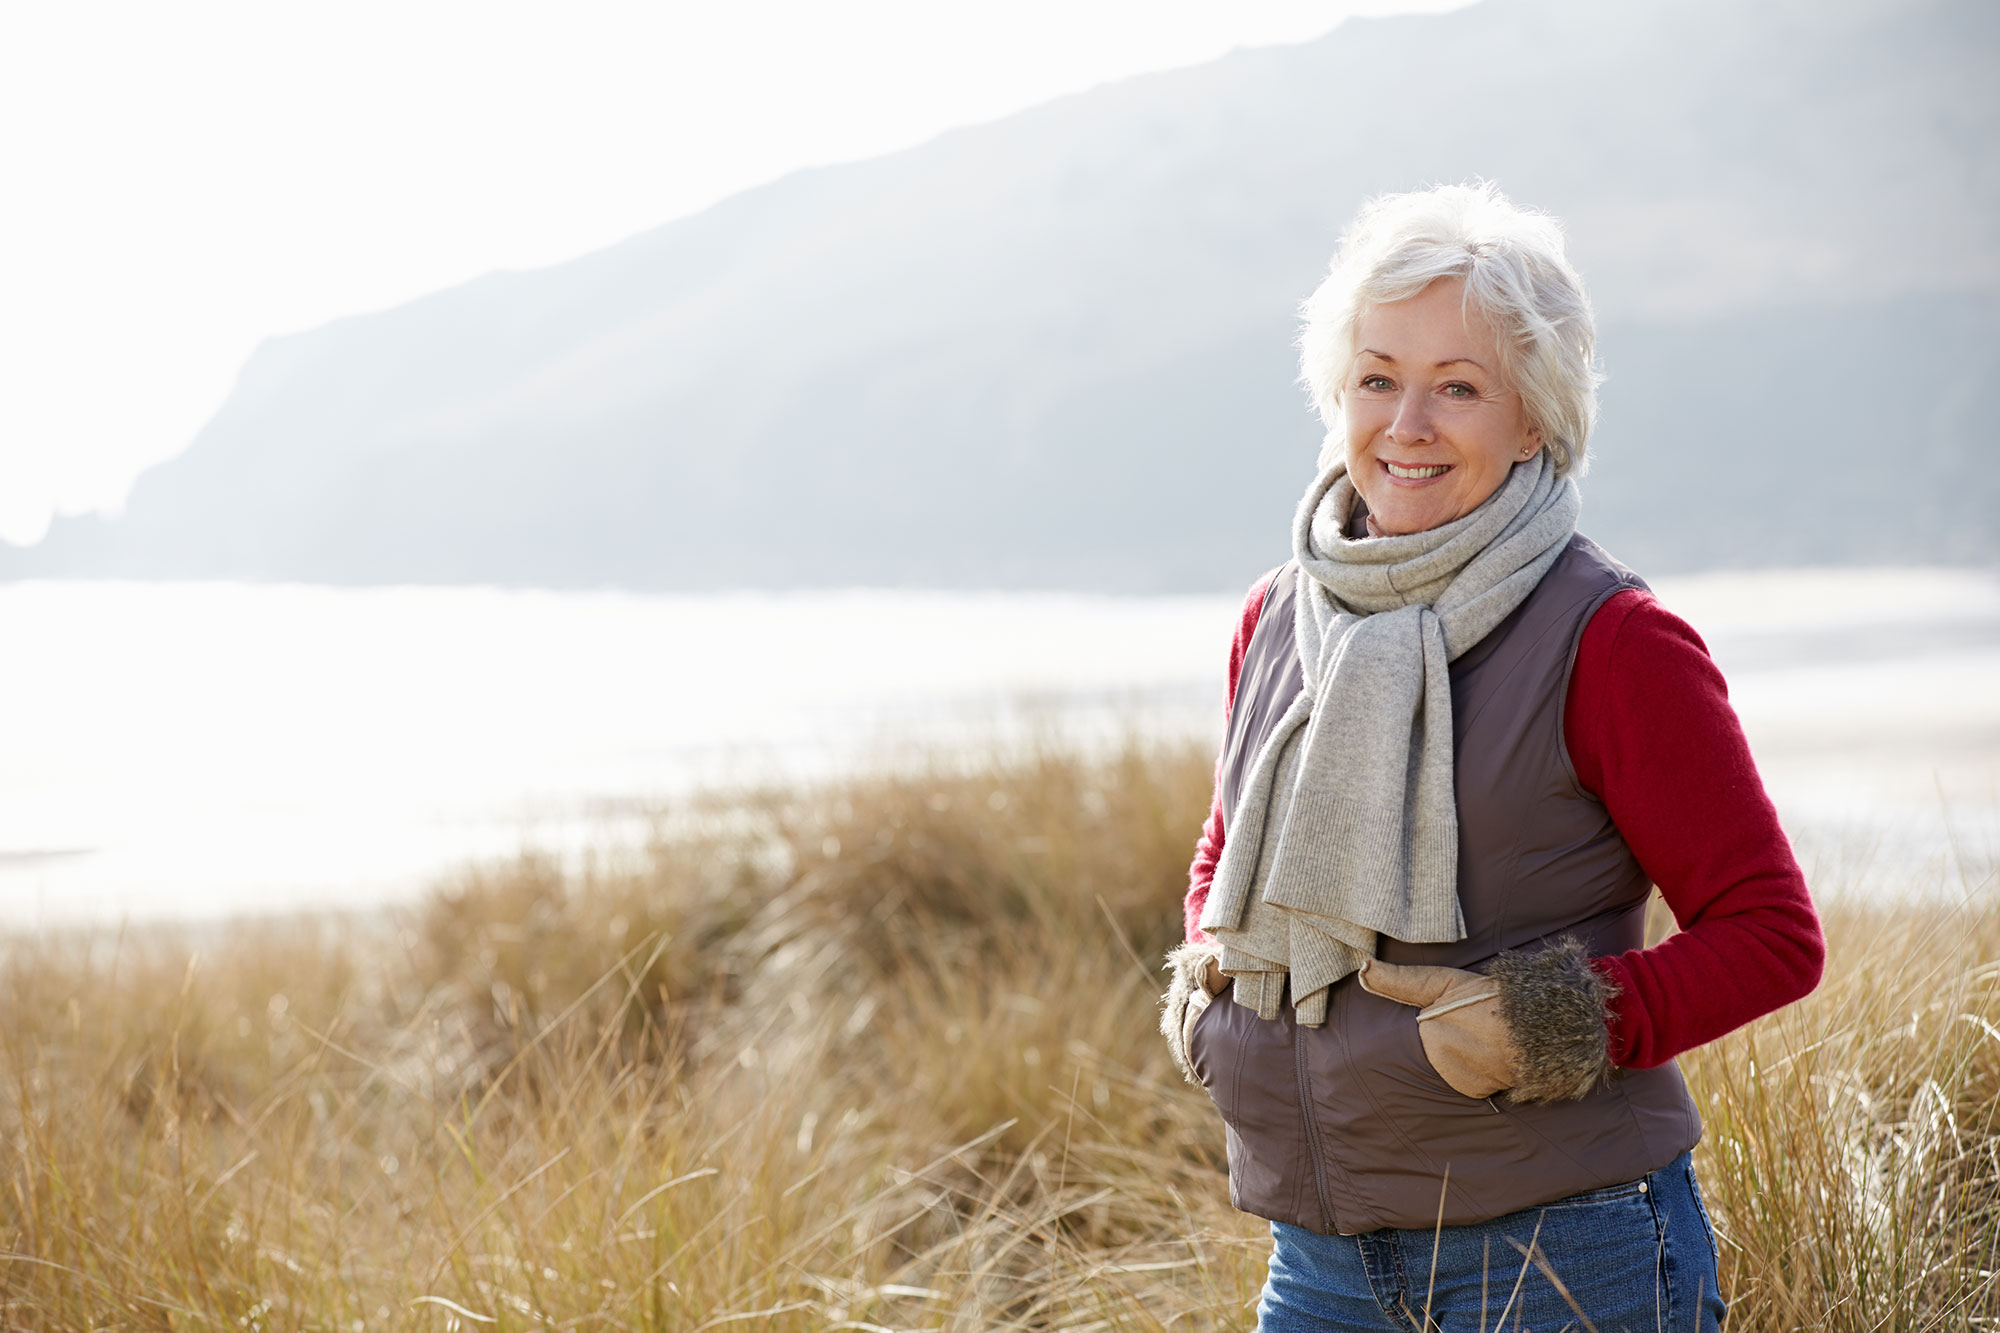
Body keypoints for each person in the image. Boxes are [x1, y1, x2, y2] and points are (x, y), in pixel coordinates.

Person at [1158, 182, 1824, 1332]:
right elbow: (1229, 842)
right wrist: (1205, 973)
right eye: (1377, 378)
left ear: (1532, 420)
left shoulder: (1611, 640)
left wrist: (1553, 1022)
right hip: (1318, 1263)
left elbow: (1770, 934)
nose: (1405, 424)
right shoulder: (1277, 616)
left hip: (1567, 1253)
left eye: (1456, 388)